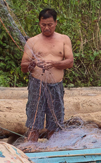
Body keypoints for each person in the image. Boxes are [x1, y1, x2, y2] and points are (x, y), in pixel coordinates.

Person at [20, 8, 74, 142]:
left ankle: (53, 150)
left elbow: (70, 62)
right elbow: (23, 67)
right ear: (39, 24)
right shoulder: (32, 42)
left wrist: (54, 63)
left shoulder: (64, 39)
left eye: (50, 24)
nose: (47, 28)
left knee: (55, 124)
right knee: (34, 124)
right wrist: (32, 64)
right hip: (37, 85)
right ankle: (31, 148)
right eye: (43, 25)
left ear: (56, 23)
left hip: (56, 85)